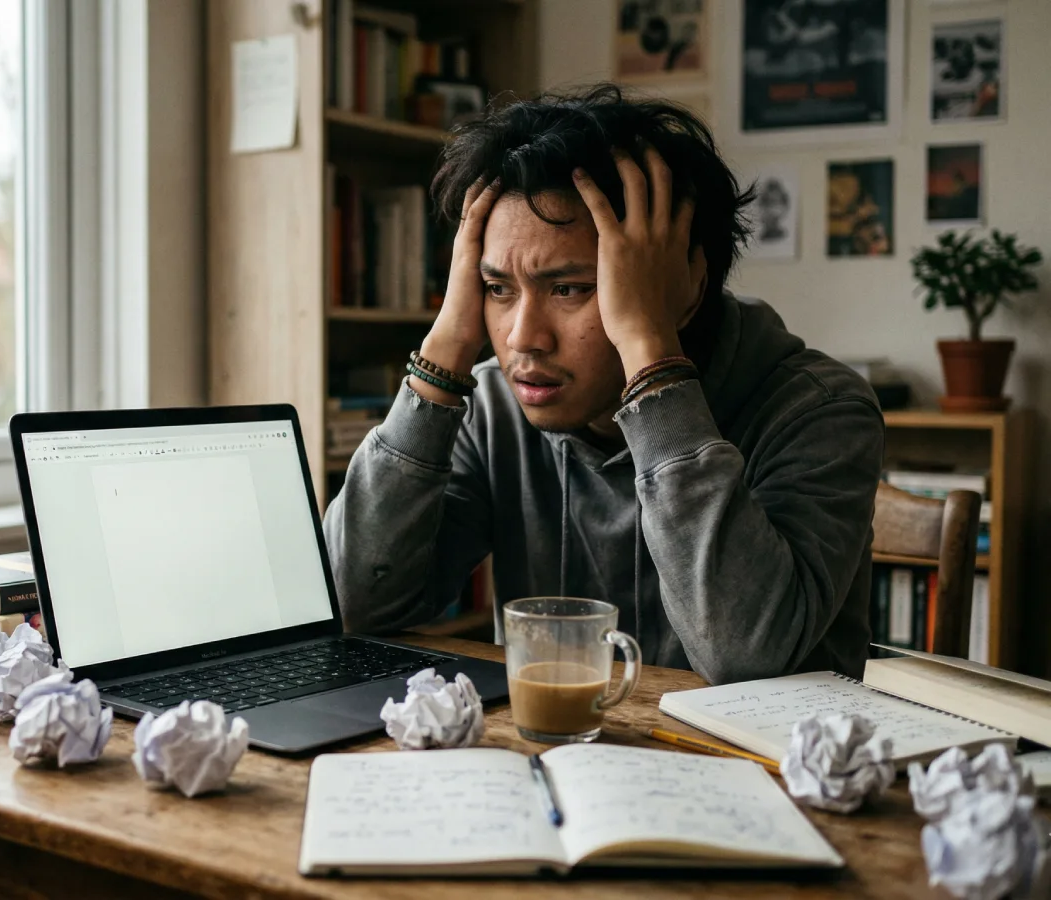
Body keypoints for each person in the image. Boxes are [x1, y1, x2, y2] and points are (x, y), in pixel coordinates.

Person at [323, 85, 884, 684]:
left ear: (685, 282)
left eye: (570, 288)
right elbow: (352, 604)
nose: (521, 338)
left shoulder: (820, 410)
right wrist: (443, 355)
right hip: (551, 761)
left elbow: (744, 656)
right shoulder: (491, 407)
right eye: (497, 290)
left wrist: (649, 354)